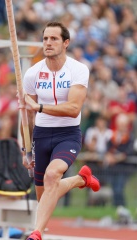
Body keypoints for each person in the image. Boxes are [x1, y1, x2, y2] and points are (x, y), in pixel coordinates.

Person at [21, 22, 100, 240]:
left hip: (68, 134)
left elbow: (74, 109)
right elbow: (26, 115)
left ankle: (36, 233)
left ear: (66, 43)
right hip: (41, 135)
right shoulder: (32, 74)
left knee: (52, 175)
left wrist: (40, 107)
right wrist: (25, 149)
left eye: (54, 39)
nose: (48, 43)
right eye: (45, 38)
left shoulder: (78, 69)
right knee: (45, 196)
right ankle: (79, 180)